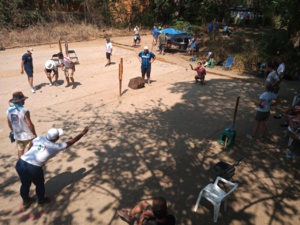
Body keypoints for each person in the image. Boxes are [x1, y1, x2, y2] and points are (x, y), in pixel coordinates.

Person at [15, 126, 89, 209]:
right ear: (57, 138)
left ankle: (26, 201)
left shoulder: (40, 138)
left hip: (21, 162)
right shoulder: (56, 147)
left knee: (25, 183)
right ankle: (41, 200)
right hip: (34, 167)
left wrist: (30, 151)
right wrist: (82, 133)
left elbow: (32, 143)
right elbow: (73, 141)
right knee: (39, 184)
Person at [7, 92, 37, 158]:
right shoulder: (24, 111)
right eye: (23, 100)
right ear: (21, 101)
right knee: (32, 148)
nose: (24, 101)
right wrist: (34, 134)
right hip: (28, 134)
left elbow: (9, 123)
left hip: (18, 135)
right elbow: (29, 124)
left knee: (20, 150)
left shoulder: (9, 110)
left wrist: (13, 131)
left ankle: (21, 163)